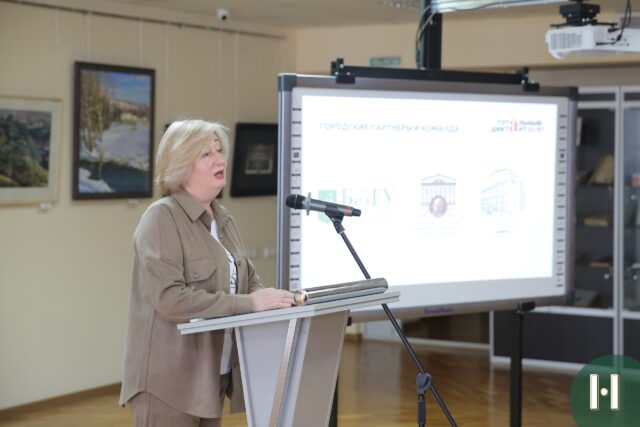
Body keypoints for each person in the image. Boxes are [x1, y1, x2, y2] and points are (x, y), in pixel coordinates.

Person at [119, 119, 295, 427]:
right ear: (180, 165)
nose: (219, 159)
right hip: (168, 384)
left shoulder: (223, 218)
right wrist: (250, 304)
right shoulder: (161, 218)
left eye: (219, 150)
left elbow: (249, 281)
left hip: (213, 377)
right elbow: (171, 300)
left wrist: (274, 301)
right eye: (206, 154)